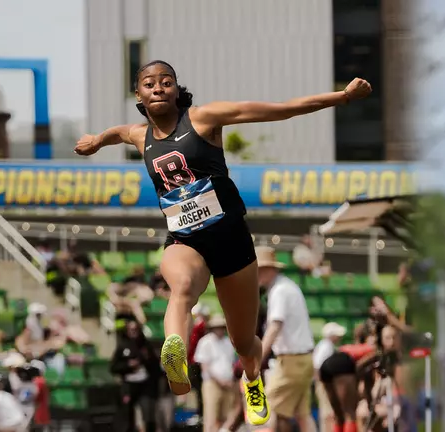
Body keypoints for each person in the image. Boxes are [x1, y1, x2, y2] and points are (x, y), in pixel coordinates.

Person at [74, 59, 371, 426]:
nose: (158, 88)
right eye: (149, 84)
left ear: (176, 88)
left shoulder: (203, 118)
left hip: (231, 240)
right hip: (184, 239)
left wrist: (341, 97)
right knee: (181, 286)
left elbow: (277, 111)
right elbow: (119, 132)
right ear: (139, 94)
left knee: (244, 343)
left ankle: (252, 379)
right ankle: (176, 357)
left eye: (166, 82)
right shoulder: (140, 135)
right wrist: (96, 140)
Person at [257, 246, 316, 432]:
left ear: (269, 269)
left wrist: (256, 359)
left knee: (265, 412)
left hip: (292, 362)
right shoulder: (285, 286)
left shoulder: (279, 291)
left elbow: (275, 327)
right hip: (302, 360)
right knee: (303, 415)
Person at [110, 318, 160, 432]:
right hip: (129, 385)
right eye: (131, 330)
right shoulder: (122, 346)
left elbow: (155, 367)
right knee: (126, 416)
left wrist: (147, 360)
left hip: (144, 384)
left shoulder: (146, 346)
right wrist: (128, 365)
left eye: (135, 330)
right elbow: (113, 367)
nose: (133, 332)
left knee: (148, 414)